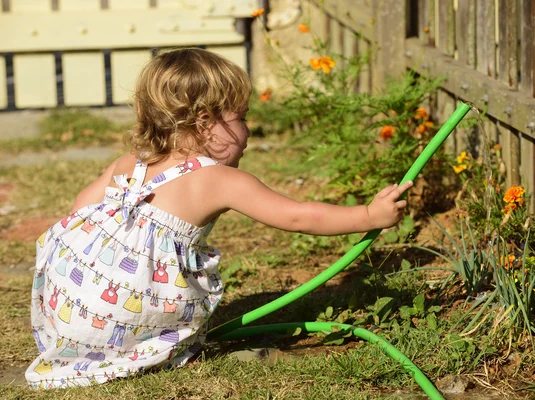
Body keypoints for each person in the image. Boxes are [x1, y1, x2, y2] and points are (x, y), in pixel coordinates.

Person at [25, 48, 412, 389]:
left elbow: (80, 209)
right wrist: (368, 214)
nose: (248, 132)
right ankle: (151, 344)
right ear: (207, 122)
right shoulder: (218, 178)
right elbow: (298, 216)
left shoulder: (129, 163)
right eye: (241, 117)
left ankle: (89, 344)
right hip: (125, 318)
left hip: (68, 309)